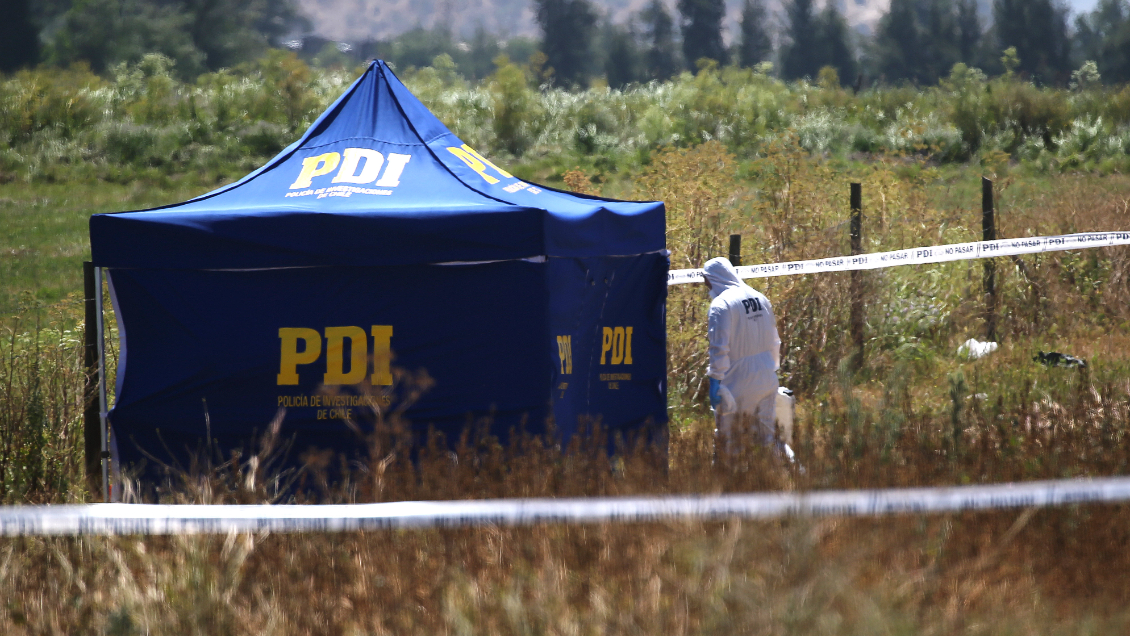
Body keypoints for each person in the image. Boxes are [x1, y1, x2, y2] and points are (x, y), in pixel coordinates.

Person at [702, 257, 783, 453]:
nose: (706, 285)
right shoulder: (760, 297)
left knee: (729, 442)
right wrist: (771, 367)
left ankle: (730, 474)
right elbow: (775, 340)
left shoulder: (721, 304)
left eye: (706, 280)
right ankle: (782, 471)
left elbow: (719, 348)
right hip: (767, 378)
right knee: (767, 439)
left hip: (737, 382)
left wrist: (715, 379)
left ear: (712, 278)